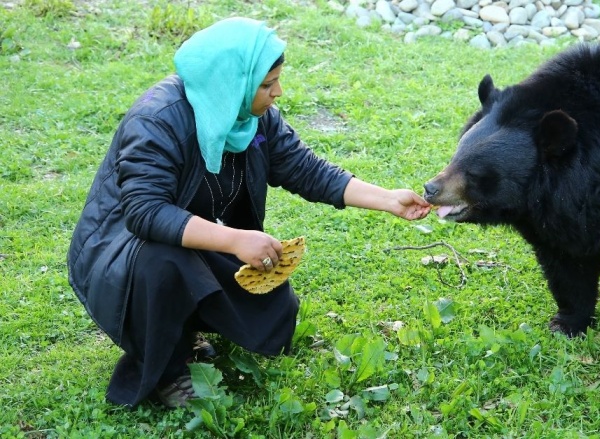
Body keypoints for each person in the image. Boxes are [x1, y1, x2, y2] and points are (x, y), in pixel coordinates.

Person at [66, 17, 430, 409]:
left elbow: (306, 170)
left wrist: (388, 199)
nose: (278, 93)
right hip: (121, 252)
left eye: (276, 80)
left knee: (275, 304)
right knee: (165, 262)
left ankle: (185, 329)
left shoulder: (251, 118)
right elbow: (144, 212)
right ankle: (168, 372)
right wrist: (237, 238)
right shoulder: (157, 120)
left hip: (191, 236)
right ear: (232, 82)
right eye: (267, 84)